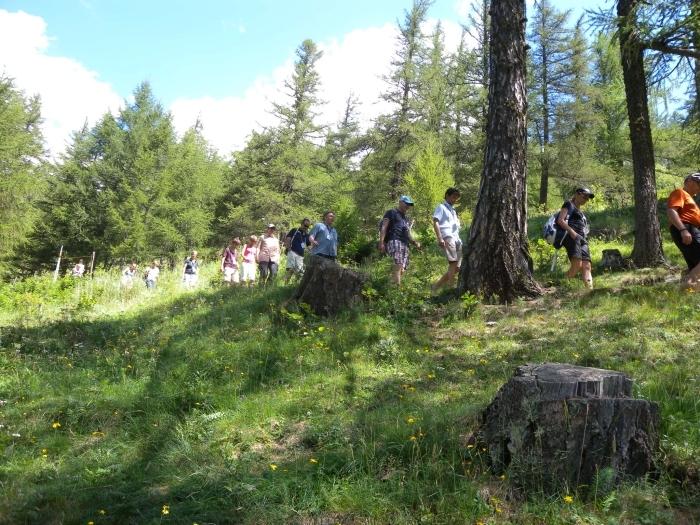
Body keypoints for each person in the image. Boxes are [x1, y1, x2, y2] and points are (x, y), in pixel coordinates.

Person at [667, 172, 700, 290]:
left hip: (691, 230)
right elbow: (671, 211)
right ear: (689, 182)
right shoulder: (680, 192)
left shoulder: (691, 200)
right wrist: (683, 230)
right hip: (686, 229)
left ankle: (689, 290)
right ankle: (686, 284)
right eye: (699, 183)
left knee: (695, 265)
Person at [557, 187, 594, 288]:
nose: (586, 199)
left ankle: (589, 291)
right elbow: (560, 220)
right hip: (571, 237)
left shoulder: (580, 211)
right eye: (585, 196)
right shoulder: (568, 204)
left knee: (587, 266)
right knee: (577, 265)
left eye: (588, 198)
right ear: (577, 194)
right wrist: (573, 233)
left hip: (582, 239)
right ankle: (561, 287)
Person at [379, 195, 421, 286]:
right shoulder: (391, 212)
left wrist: (414, 243)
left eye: (409, 204)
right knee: (397, 265)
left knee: (402, 270)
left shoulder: (406, 219)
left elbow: (408, 234)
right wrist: (381, 242)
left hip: (405, 244)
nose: (408, 206)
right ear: (400, 202)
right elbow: (384, 227)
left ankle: (390, 287)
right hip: (394, 240)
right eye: (406, 203)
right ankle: (397, 290)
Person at [431, 188, 462, 293]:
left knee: (458, 267)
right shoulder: (441, 207)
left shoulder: (453, 211)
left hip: (457, 239)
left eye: (456, 197)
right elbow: (435, 222)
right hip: (447, 236)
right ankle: (450, 289)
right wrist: (440, 238)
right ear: (447, 196)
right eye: (453, 196)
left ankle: (435, 287)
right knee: (453, 262)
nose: (455, 199)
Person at [284, 218, 311, 284]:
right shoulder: (294, 230)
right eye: (305, 225)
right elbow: (288, 239)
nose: (306, 227)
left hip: (300, 256)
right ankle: (285, 284)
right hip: (292, 252)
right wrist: (289, 250)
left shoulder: (307, 235)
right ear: (301, 224)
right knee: (290, 269)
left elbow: (309, 245)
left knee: (299, 272)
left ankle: (294, 285)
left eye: (307, 226)